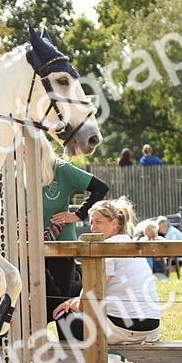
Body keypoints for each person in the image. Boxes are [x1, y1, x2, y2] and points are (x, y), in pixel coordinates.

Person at [52, 197, 161, 347]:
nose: (93, 227)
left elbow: (92, 291)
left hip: (129, 329)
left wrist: (71, 303)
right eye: (91, 222)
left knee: (64, 315)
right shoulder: (128, 241)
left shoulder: (109, 247)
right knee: (76, 297)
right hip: (150, 328)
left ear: (115, 223)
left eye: (99, 222)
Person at [38, 137, 109, 321]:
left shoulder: (61, 169)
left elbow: (100, 188)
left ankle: (68, 344)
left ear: (40, 151)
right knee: (34, 299)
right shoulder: (17, 173)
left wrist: (78, 214)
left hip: (61, 245)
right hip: (30, 246)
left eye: (24, 152)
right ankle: (34, 344)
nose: (21, 157)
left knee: (61, 300)